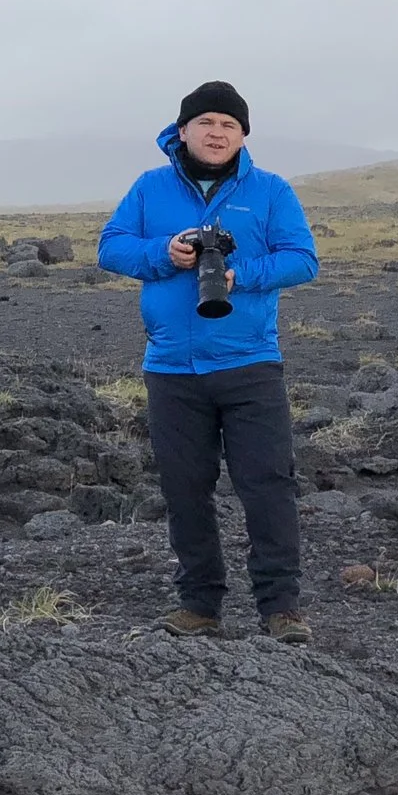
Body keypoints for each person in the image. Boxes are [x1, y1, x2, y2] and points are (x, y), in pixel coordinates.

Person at [98, 81, 320, 642]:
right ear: (183, 131)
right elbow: (110, 246)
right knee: (184, 488)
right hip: (172, 368)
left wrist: (242, 275)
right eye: (205, 123)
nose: (216, 132)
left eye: (228, 124)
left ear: (243, 134)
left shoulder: (270, 191)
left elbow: (303, 259)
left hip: (249, 363)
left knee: (267, 484)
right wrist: (162, 253)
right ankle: (198, 605)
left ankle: (281, 608)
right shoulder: (150, 189)